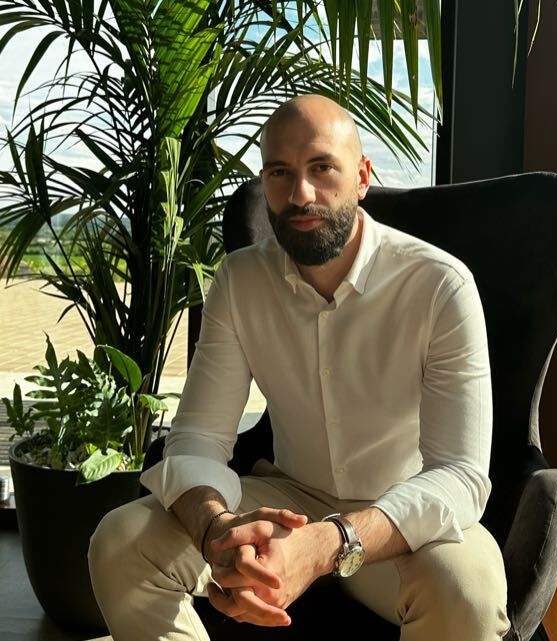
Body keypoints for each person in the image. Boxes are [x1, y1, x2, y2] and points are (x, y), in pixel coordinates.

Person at [89, 94, 511, 640]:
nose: (300, 194)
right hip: (289, 500)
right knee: (121, 542)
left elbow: (459, 475)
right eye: (280, 173)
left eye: (321, 168)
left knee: (468, 591)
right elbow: (197, 440)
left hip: (402, 517)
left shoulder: (439, 286)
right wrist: (218, 530)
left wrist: (327, 543)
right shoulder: (240, 280)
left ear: (362, 177)